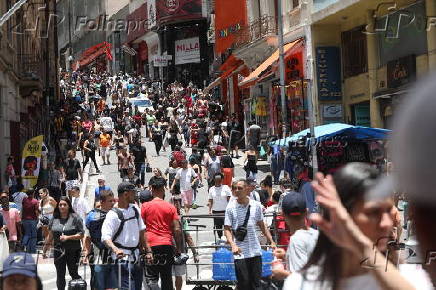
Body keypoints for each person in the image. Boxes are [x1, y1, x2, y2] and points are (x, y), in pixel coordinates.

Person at [283, 163, 432, 290]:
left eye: (388, 210)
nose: (387, 222)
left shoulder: (411, 277)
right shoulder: (301, 284)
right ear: (339, 216)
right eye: (373, 212)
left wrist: (362, 246)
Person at [224, 179, 276, 289]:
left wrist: (271, 241)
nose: (237, 191)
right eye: (235, 188)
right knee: (243, 284)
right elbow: (227, 229)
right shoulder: (230, 208)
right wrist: (233, 245)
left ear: (247, 189)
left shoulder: (256, 205)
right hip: (240, 252)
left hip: (255, 251)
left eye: (240, 188)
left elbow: (262, 225)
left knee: (256, 284)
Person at [101, 182, 148, 290]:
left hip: (136, 258)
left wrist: (148, 250)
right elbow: (105, 237)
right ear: (126, 194)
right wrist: (115, 249)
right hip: (122, 260)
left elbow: (142, 230)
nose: (136, 195)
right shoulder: (112, 215)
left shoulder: (135, 209)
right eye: (133, 193)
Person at [142, 176, 183, 290]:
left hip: (150, 246)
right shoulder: (170, 207)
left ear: (152, 189)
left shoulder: (145, 206)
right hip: (166, 245)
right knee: (166, 278)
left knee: (152, 278)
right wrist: (178, 248)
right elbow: (177, 229)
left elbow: (141, 229)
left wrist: (143, 247)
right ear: (163, 190)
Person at [272, 191, 319, 281]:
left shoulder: (296, 239)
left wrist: (280, 272)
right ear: (306, 212)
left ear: (283, 215)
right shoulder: (316, 235)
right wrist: (286, 256)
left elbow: (302, 277)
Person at [43, 197, 84, 290]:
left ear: (69, 206)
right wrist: (45, 249)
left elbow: (81, 234)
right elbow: (50, 236)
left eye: (64, 204)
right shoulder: (54, 218)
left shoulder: (76, 218)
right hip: (58, 251)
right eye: (60, 205)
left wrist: (68, 237)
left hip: (73, 250)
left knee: (73, 273)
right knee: (60, 274)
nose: (62, 206)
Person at [83, 190, 117, 290]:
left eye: (113, 201)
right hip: (98, 254)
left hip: (114, 253)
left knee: (113, 284)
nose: (112, 203)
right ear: (102, 202)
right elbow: (88, 237)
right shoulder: (92, 217)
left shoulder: (116, 214)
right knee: (98, 282)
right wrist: (86, 253)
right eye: (110, 201)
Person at [208, 173, 232, 240]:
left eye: (219, 180)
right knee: (218, 228)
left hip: (225, 211)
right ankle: (220, 240)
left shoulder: (226, 188)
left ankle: (228, 241)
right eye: (216, 180)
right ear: (214, 180)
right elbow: (210, 200)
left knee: (226, 227)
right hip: (216, 211)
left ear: (221, 180)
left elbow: (229, 199)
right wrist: (209, 210)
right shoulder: (211, 189)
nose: (218, 181)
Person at [21, 188, 39, 253]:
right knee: (33, 235)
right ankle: (33, 250)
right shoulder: (35, 201)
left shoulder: (24, 199)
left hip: (24, 219)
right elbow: (36, 211)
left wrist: (21, 218)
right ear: (33, 193)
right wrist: (38, 218)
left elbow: (23, 209)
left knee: (27, 234)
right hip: (33, 219)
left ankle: (26, 248)